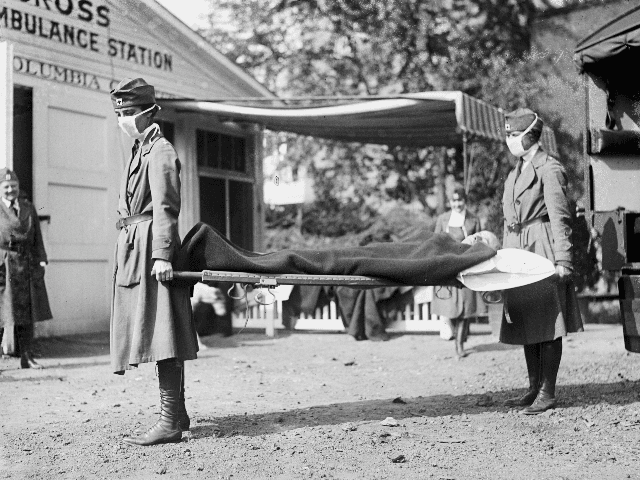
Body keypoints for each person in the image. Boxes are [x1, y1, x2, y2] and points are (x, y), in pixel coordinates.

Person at [109, 78, 198, 446]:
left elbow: (165, 207)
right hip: (135, 248)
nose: (123, 119)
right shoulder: (139, 149)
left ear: (149, 112)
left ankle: (169, 422)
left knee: (164, 333)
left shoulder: (159, 150)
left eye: (128, 113)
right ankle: (177, 414)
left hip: (151, 250)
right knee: (157, 331)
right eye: (119, 113)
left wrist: (162, 254)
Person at [500, 108, 583, 415]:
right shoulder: (516, 171)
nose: (508, 140)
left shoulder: (549, 168)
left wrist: (563, 260)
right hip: (517, 248)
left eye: (513, 135)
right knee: (525, 320)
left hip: (541, 247)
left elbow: (561, 216)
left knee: (547, 321)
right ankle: (534, 387)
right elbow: (509, 217)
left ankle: (547, 392)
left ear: (529, 136)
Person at [0, 169, 52, 369]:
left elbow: (37, 237)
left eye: (14, 186)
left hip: (26, 264)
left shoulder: (27, 207)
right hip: (3, 265)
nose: (11, 190)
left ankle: (26, 357)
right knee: (1, 313)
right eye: (6, 187)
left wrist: (41, 259)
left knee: (27, 313)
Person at [431, 186, 484, 358]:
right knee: (450, 308)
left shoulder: (473, 219)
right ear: (450, 202)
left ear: (465, 201)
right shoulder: (443, 219)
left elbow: (479, 243)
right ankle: (457, 335)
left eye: (460, 200)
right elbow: (435, 242)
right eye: (454, 201)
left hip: (466, 266)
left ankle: (459, 344)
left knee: (466, 308)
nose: (457, 204)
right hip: (447, 267)